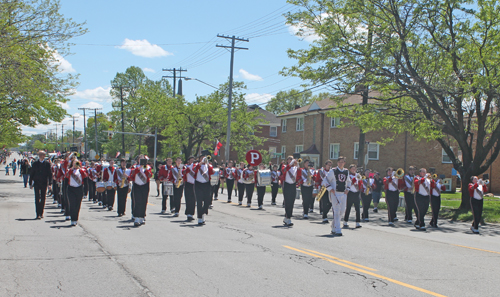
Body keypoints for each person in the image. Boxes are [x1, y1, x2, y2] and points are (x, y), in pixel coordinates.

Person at [28, 151, 53, 219]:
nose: (42, 156)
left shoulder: (47, 164)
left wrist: (50, 184)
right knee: (37, 198)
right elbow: (32, 173)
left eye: (43, 155)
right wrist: (30, 183)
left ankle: (41, 212)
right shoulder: (35, 163)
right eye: (41, 154)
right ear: (39, 155)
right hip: (36, 183)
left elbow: (50, 174)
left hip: (44, 183)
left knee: (43, 198)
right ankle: (37, 214)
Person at [129, 158, 152, 226]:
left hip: (145, 185)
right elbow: (132, 174)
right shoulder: (135, 166)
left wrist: (145, 170)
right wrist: (138, 168)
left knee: (144, 201)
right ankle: (136, 217)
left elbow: (150, 175)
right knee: (137, 201)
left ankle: (142, 216)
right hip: (137, 185)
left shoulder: (148, 167)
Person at [65, 159, 88, 226]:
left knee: (77, 205)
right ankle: (72, 219)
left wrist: (85, 192)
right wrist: (72, 168)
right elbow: (66, 176)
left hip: (79, 189)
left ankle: (76, 219)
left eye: (77, 163)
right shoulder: (70, 170)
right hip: (71, 189)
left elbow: (85, 177)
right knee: (72, 204)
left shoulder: (81, 171)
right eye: (74, 163)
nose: (75, 164)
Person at [193, 154, 214, 225]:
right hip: (198, 184)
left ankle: (202, 214)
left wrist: (208, 165)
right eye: (202, 158)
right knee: (199, 201)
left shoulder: (209, 165)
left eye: (204, 158)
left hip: (206, 184)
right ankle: (199, 218)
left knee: (207, 201)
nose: (204, 159)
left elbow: (212, 172)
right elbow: (194, 170)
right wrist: (200, 163)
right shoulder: (196, 165)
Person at [281, 156, 299, 226]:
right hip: (286, 185)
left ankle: (287, 217)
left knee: (292, 201)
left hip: (293, 185)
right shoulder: (284, 166)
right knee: (287, 201)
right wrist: (290, 164)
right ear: (287, 160)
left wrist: (297, 164)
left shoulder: (295, 168)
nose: (291, 160)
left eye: (292, 159)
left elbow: (299, 173)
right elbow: (284, 170)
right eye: (290, 159)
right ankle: (288, 218)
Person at [183, 156, 197, 221]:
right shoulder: (186, 167)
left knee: (193, 200)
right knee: (188, 199)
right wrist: (189, 167)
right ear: (188, 161)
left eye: (193, 160)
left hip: (194, 184)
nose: (192, 161)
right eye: (190, 160)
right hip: (188, 184)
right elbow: (183, 172)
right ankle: (188, 214)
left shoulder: (196, 167)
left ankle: (191, 214)